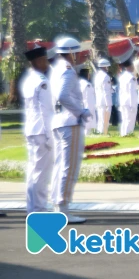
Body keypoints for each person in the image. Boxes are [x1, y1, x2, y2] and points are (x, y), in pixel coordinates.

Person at [50, 37, 91, 224]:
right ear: (72, 53)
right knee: (69, 167)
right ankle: (63, 207)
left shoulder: (55, 69)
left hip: (59, 121)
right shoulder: (67, 71)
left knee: (60, 166)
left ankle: (58, 205)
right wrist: (80, 111)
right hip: (69, 121)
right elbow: (62, 95)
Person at [20, 46, 53, 214]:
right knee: (41, 173)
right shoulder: (42, 81)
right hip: (41, 131)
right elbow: (45, 111)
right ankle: (39, 208)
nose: (47, 63)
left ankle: (32, 207)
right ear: (38, 61)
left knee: (33, 170)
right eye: (45, 60)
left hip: (31, 129)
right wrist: (50, 136)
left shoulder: (28, 80)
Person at [118, 59, 137, 136]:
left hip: (123, 100)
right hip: (130, 101)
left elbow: (120, 91)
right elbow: (131, 91)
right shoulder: (131, 77)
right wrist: (133, 104)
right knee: (130, 119)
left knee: (125, 119)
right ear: (130, 66)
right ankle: (128, 134)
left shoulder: (122, 76)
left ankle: (123, 133)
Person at [94, 58, 112, 135]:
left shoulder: (97, 76)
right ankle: (104, 132)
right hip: (105, 101)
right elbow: (106, 91)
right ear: (105, 67)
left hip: (99, 100)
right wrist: (108, 103)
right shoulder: (106, 77)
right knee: (105, 119)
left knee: (101, 118)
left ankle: (100, 132)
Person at [78, 67, 96, 136]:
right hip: (87, 107)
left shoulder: (78, 83)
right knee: (87, 127)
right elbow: (89, 98)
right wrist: (90, 109)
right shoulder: (87, 84)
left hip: (80, 106)